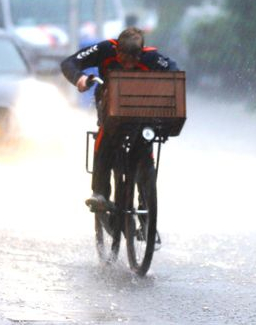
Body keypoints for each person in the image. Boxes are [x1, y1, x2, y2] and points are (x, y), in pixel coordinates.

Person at [61, 26, 179, 211]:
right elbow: (69, 63)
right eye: (123, 60)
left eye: (133, 61)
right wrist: (79, 78)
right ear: (117, 50)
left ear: (141, 53)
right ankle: (100, 193)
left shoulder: (151, 57)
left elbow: (173, 71)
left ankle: (145, 198)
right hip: (110, 109)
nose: (128, 66)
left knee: (145, 141)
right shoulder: (105, 49)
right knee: (105, 136)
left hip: (142, 112)